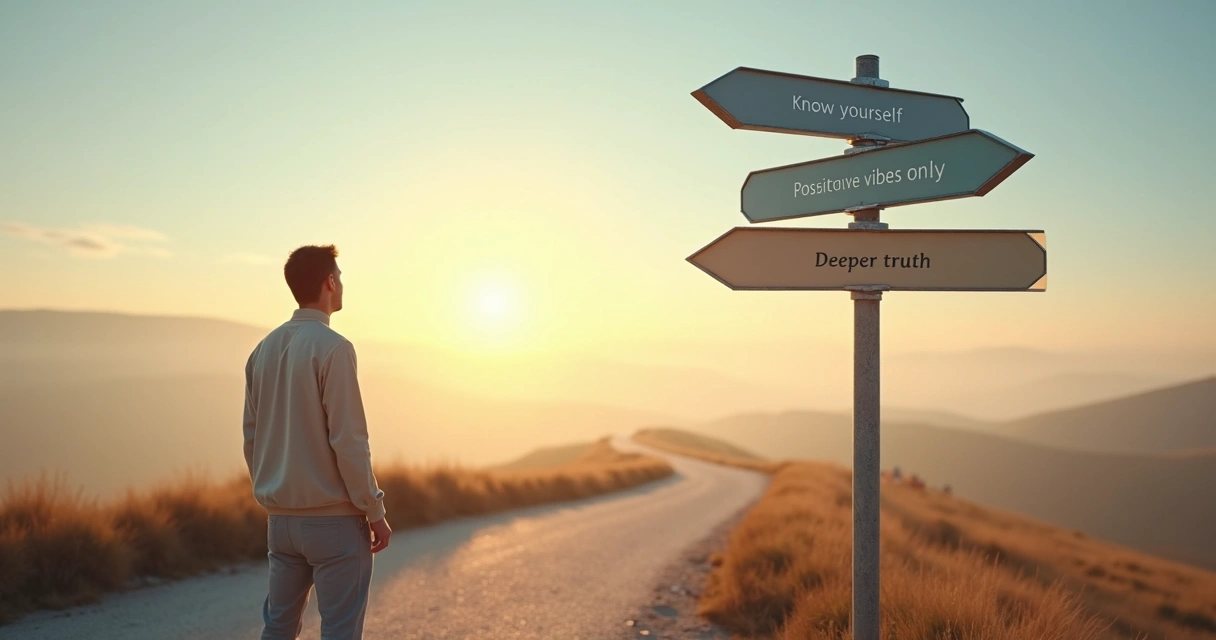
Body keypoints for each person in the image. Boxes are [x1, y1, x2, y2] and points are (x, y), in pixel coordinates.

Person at [243, 244, 391, 640]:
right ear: (329, 282)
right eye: (339, 276)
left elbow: (251, 437)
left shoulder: (262, 350)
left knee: (278, 627)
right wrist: (374, 510)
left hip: (280, 521)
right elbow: (350, 441)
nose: (341, 283)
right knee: (340, 630)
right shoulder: (334, 348)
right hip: (334, 522)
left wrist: (274, 494)